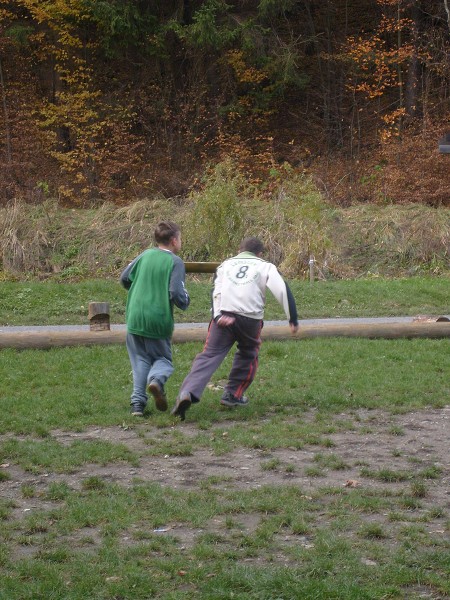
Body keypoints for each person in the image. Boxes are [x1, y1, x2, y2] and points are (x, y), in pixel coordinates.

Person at [171, 236, 298, 421]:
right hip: (250, 318)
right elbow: (282, 290)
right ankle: (233, 394)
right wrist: (292, 318)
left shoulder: (225, 265)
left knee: (209, 355)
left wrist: (217, 316)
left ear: (239, 250)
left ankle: (188, 391)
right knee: (249, 352)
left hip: (223, 315)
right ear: (260, 253)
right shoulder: (265, 266)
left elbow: (216, 291)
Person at [120, 221, 190, 416]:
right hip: (157, 317)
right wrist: (185, 301)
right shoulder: (175, 262)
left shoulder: (144, 255)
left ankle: (137, 405)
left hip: (135, 315)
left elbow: (125, 278)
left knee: (140, 360)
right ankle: (157, 381)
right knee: (163, 359)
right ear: (174, 240)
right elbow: (176, 292)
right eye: (180, 238)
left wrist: (139, 292)